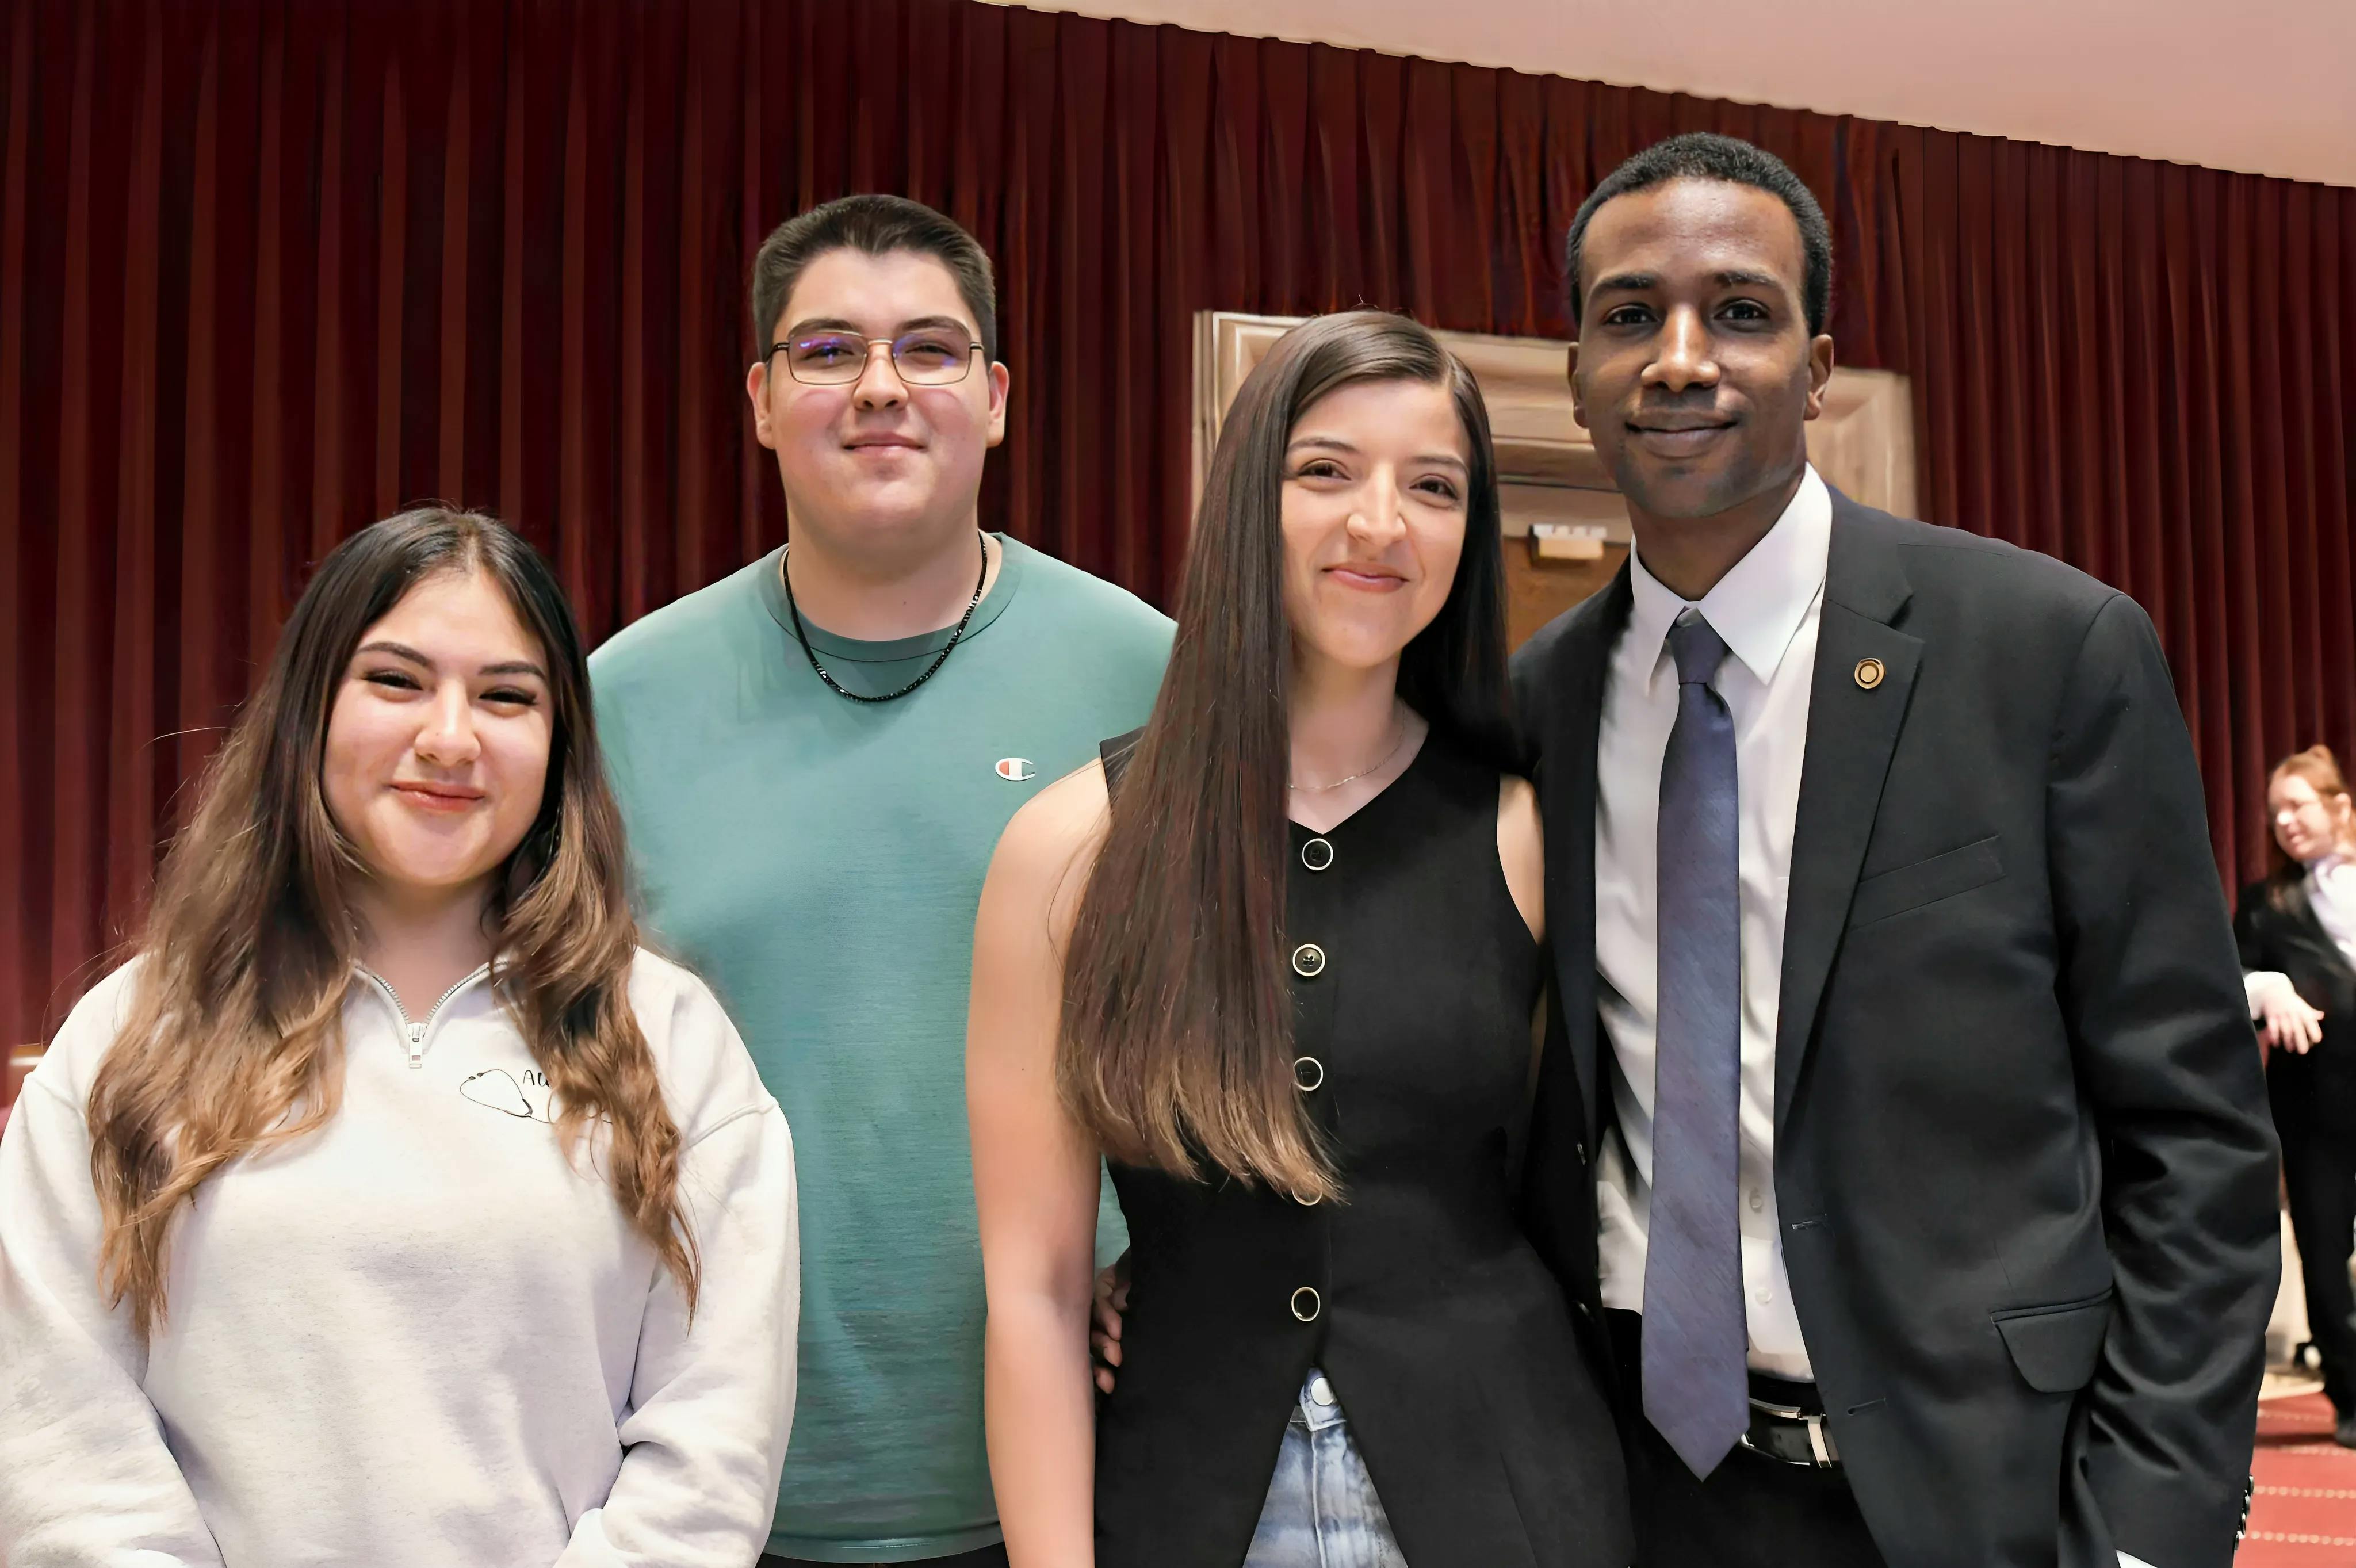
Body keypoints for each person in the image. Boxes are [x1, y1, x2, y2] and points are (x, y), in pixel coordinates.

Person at [1509, 133, 2278, 1567]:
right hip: (1639, 1494)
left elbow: (2195, 1135)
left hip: (1986, 1498)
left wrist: (2146, 1529)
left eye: (1740, 311)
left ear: (1817, 368)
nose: (1680, 359)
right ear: (1575, 373)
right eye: (1628, 315)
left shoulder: (2046, 651)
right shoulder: (1535, 702)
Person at [0, 509, 798, 1566]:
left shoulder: (672, 1041)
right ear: (309, 712)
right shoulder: (132, 1035)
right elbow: (60, 1434)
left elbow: (710, 1452)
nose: (452, 737)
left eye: (507, 696)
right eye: (397, 680)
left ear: (559, 744)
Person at [972, 309, 1632, 1568]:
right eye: (1325, 470)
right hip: (1187, 1498)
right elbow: (1035, 1291)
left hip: (1509, 1494)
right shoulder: (1067, 850)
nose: (1380, 522)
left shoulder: (1529, 832)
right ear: (1245, 500)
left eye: (1432, 486)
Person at [590, 194, 1171, 1567]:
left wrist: (1183, 1249)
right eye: (827, 351)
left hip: (1078, 1475)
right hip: (711, 1482)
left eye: (929, 349)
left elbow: (1246, 1032)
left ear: (997, 398)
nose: (880, 388)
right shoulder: (624, 697)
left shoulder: (1149, 674)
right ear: (759, 400)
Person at [2238, 745, 2356, 1445]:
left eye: (2297, 805)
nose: (2283, 821)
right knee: (2323, 1250)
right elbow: (2225, 984)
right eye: (2274, 811)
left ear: (2339, 806)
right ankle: (2352, 1397)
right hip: (2315, 1105)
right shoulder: (2265, 905)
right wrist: (2267, 987)